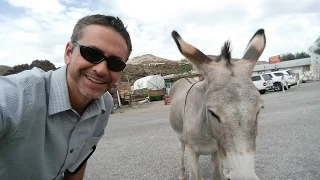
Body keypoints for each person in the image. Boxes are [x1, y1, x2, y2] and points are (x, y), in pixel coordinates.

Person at [0, 14, 132, 180]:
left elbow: (78, 162)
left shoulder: (104, 104)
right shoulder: (18, 96)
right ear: (69, 52)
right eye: (91, 53)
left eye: (115, 63)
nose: (101, 69)